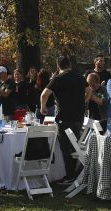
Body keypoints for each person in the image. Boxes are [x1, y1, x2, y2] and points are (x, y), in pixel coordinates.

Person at [40, 56, 86, 184]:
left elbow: (44, 94)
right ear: (70, 64)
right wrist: (84, 101)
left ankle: (70, 175)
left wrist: (43, 107)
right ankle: (74, 174)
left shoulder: (58, 78)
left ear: (58, 66)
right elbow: (89, 90)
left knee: (66, 148)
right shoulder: (80, 77)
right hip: (78, 117)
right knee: (74, 146)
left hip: (64, 117)